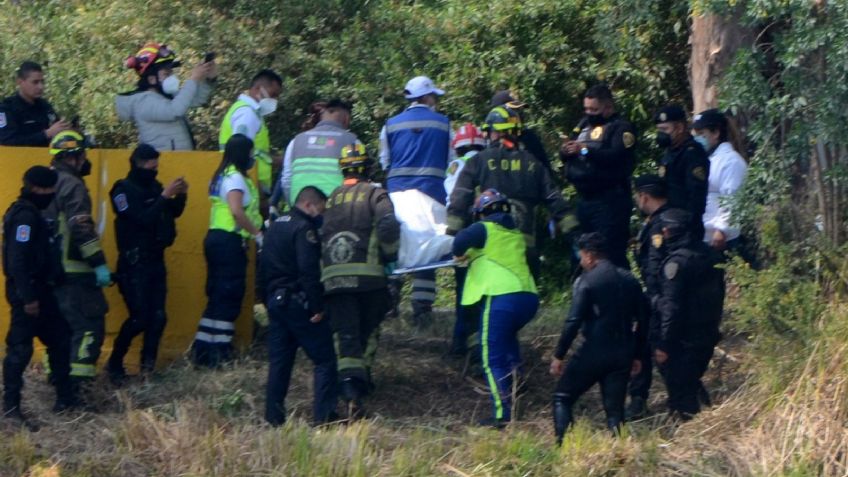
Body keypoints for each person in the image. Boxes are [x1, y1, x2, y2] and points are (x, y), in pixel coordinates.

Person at [447, 106, 574, 281]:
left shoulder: (478, 161)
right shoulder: (533, 163)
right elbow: (555, 200)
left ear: (494, 132)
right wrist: (575, 234)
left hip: (489, 248)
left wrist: (453, 237)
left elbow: (459, 199)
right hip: (524, 249)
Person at [321, 144, 400, 417]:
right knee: (368, 330)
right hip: (369, 279)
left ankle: (349, 386)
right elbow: (388, 225)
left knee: (345, 335)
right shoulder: (376, 194)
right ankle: (358, 384)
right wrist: (391, 257)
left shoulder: (330, 199)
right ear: (368, 168)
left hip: (333, 279)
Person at [452, 189, 539, 428]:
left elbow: (459, 242)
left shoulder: (483, 229)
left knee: (491, 357)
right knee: (507, 340)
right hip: (527, 297)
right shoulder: (515, 233)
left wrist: (460, 254)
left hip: (501, 296)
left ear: (481, 213)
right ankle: (516, 379)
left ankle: (502, 414)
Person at [550, 233, 647, 443]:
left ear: (590, 256)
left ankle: (565, 450)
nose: (581, 260)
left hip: (594, 350)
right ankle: (621, 455)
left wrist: (559, 355)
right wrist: (637, 354)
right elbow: (644, 321)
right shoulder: (630, 280)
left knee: (562, 397)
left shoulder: (587, 281)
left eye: (582, 255)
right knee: (615, 412)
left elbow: (573, 321)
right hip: (623, 352)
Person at [107, 144, 188, 382]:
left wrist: (181, 195)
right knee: (139, 317)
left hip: (155, 260)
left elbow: (171, 212)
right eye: (149, 165)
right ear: (137, 163)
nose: (154, 170)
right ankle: (114, 364)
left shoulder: (155, 187)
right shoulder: (122, 190)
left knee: (158, 317)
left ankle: (147, 369)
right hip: (134, 263)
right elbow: (140, 219)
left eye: (156, 165)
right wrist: (164, 197)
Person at [3, 166, 76, 427]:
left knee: (60, 337)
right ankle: (11, 409)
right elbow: (17, 261)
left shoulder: (32, 213)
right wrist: (28, 297)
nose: (52, 194)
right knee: (20, 348)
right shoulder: (25, 217)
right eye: (49, 189)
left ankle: (65, 398)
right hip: (30, 292)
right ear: (36, 188)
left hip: (40, 290)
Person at [379, 75, 453, 325]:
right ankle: (422, 311)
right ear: (426, 97)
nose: (436, 102)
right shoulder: (444, 124)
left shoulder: (390, 125)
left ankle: (390, 302)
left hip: (398, 196)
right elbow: (451, 160)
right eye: (435, 97)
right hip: (432, 195)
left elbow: (385, 162)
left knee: (397, 248)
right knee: (428, 252)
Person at [260, 186, 337, 426]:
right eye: (319, 209)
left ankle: (273, 419)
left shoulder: (274, 225)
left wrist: (266, 299)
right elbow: (308, 271)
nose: (320, 214)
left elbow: (263, 266)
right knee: (325, 359)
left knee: (280, 363)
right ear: (308, 204)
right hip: (297, 301)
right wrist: (316, 308)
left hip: (276, 301)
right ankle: (324, 418)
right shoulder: (305, 229)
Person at [44, 131, 112, 383]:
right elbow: (81, 227)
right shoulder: (72, 185)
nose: (85, 160)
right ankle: (77, 388)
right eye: (83, 154)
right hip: (75, 275)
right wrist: (99, 264)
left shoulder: (45, 182)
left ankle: (57, 381)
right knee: (87, 328)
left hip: (50, 274)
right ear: (73, 157)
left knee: (59, 330)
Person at [191, 134, 263, 367]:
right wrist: (257, 234)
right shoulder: (235, 179)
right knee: (228, 295)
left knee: (218, 296)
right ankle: (220, 352)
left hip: (218, 240)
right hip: (228, 242)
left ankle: (203, 351)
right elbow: (237, 212)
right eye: (251, 153)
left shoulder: (225, 175)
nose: (252, 158)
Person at [653, 209, 725, 420]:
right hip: (707, 332)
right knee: (691, 381)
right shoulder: (711, 255)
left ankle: (689, 433)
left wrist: (664, 344)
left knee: (681, 392)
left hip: (682, 339)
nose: (664, 232)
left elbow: (671, 308)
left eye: (667, 229)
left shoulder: (676, 264)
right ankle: (702, 414)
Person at [559, 84, 637, 268]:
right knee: (581, 253)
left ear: (608, 107)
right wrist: (566, 150)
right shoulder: (583, 126)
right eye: (586, 109)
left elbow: (616, 156)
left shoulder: (622, 128)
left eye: (594, 109)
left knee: (610, 253)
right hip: (585, 200)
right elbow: (568, 148)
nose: (589, 113)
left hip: (610, 201)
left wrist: (585, 150)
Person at [625, 174, 683, 419]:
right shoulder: (653, 221)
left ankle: (684, 397)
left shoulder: (664, 223)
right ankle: (638, 398)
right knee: (640, 346)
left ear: (644, 196)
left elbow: (657, 265)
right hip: (652, 296)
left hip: (661, 296)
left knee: (662, 349)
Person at [116, 43, 216, 151]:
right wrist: (194, 79)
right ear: (151, 79)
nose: (171, 77)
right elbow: (175, 111)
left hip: (178, 162)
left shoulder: (165, 97)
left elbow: (196, 100)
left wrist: (209, 79)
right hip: (162, 164)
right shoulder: (144, 102)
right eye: (166, 73)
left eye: (171, 72)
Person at [445, 123, 486, 355]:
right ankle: (479, 342)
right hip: (486, 231)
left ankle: (459, 342)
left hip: (462, 231)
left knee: (463, 287)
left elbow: (451, 195)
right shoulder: (489, 161)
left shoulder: (455, 165)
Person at [276, 98, 359, 208]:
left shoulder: (296, 141)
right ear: (346, 119)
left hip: (302, 207)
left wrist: (293, 205)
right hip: (337, 208)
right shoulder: (352, 141)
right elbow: (358, 181)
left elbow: (286, 179)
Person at [219, 69, 283, 197]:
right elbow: (241, 155)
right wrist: (259, 192)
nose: (275, 100)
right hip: (249, 186)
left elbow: (256, 152)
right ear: (258, 88)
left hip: (246, 186)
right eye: (273, 94)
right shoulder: (247, 114)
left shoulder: (250, 112)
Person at [691, 108, 748, 251]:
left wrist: (721, 230)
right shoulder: (706, 159)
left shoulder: (731, 161)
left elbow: (732, 198)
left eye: (701, 134)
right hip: (703, 236)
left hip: (722, 239)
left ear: (716, 133)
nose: (697, 138)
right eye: (696, 134)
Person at [654, 104, 710, 239]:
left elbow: (696, 195)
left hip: (684, 226)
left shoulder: (692, 153)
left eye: (665, 129)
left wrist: (687, 224)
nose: (661, 134)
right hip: (667, 221)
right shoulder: (670, 152)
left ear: (679, 128)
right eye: (659, 130)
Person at [0, 61, 69, 146]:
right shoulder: (8, 108)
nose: (41, 87)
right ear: (20, 82)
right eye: (35, 82)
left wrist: (68, 131)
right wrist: (46, 134)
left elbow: (58, 134)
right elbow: (8, 142)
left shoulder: (45, 107)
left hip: (47, 157)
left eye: (42, 82)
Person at [489, 90, 554, 175]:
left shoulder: (528, 137)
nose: (518, 114)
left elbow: (544, 171)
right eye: (513, 110)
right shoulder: (485, 140)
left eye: (518, 110)